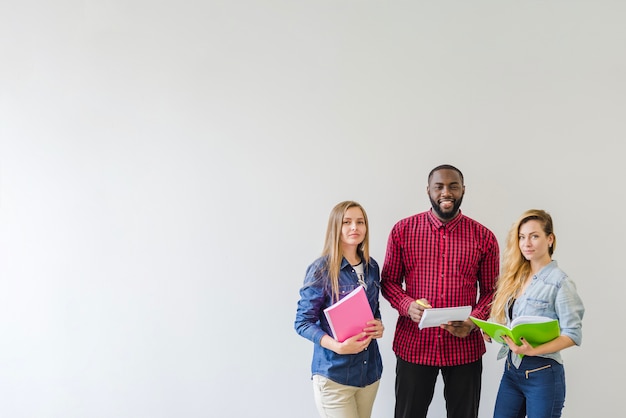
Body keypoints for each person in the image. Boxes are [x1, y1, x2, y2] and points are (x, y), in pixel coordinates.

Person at [381, 164, 500, 418]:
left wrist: (473, 321)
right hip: (414, 344)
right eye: (439, 186)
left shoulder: (484, 237)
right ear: (428, 191)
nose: (446, 192)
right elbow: (389, 281)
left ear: (463, 190)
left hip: (464, 347)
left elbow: (492, 291)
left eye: (453, 186)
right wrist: (407, 305)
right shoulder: (403, 231)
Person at [487, 209, 584, 418]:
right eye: (522, 237)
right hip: (512, 371)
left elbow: (573, 335)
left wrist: (533, 351)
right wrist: (494, 332)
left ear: (550, 239)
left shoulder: (561, 283)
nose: (526, 243)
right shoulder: (517, 277)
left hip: (543, 374)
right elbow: (514, 323)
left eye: (534, 236)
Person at [294, 200, 385, 418]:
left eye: (360, 222)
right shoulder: (321, 269)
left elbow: (374, 311)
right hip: (335, 376)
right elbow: (302, 322)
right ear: (336, 227)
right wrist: (337, 346)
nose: (355, 227)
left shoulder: (371, 266)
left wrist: (378, 326)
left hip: (369, 374)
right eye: (347, 222)